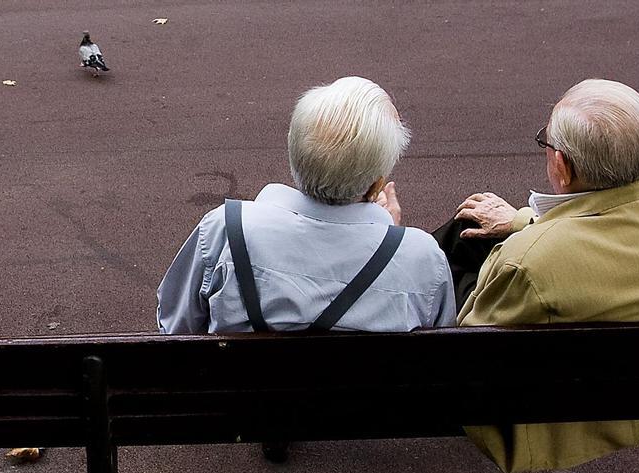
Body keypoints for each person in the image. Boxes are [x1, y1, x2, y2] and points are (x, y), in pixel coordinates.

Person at [430, 78, 639, 473]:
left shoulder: (528, 262)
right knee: (467, 233)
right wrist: (523, 221)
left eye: (546, 143)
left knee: (443, 262)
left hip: (540, 422)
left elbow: (472, 348)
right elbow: (608, 232)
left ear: (562, 167)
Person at [156, 76, 455, 334]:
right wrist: (394, 240)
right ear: (377, 185)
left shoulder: (226, 229)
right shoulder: (422, 257)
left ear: (295, 153)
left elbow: (175, 327)